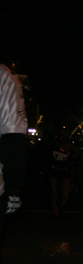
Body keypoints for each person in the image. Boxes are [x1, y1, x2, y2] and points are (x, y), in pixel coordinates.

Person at [0, 63, 29, 232]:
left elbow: (13, 134)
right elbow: (13, 133)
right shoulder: (4, 74)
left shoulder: (3, 75)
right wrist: (12, 188)